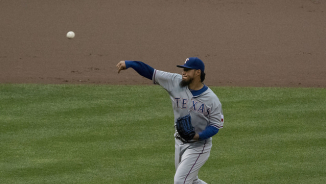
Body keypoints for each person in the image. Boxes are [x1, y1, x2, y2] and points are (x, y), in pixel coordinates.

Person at [116, 57, 224, 184]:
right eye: (183, 69)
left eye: (188, 70)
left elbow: (215, 125)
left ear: (198, 72)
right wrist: (130, 64)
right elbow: (151, 72)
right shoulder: (174, 81)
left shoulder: (211, 99)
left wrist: (197, 136)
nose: (184, 72)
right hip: (179, 142)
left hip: (199, 146)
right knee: (192, 181)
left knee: (181, 181)